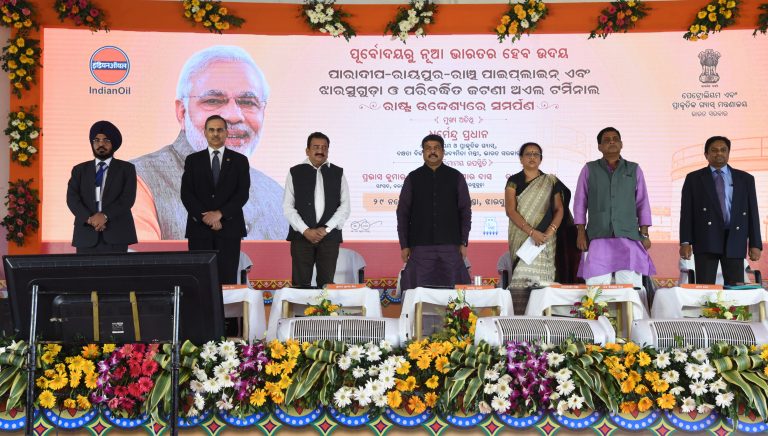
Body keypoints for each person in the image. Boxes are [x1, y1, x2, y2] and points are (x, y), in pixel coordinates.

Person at [131, 45, 286, 240]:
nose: (233, 115)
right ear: (182, 112)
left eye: (247, 102)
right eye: (213, 101)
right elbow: (138, 257)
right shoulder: (136, 179)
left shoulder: (276, 195)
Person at [573, 127, 655, 287]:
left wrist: (644, 234)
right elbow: (580, 202)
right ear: (599, 147)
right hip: (598, 236)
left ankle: (629, 306)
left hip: (628, 236)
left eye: (615, 139)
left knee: (629, 287)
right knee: (596, 286)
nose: (611, 142)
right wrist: (581, 233)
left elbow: (642, 202)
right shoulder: (589, 169)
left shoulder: (634, 169)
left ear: (621, 144)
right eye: (606, 140)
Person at [679, 136, 762, 284]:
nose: (719, 153)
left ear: (728, 153)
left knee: (735, 289)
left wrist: (755, 244)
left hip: (735, 238)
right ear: (706, 154)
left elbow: (752, 213)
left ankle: (734, 302)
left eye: (723, 150)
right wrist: (685, 242)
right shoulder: (694, 178)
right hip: (705, 238)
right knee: (705, 288)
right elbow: (686, 213)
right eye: (714, 150)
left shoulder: (745, 179)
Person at [180, 115, 250, 284]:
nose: (215, 134)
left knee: (227, 280)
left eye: (219, 130)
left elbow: (242, 194)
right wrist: (206, 217)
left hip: (229, 229)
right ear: (205, 133)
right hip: (199, 230)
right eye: (211, 130)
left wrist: (220, 214)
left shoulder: (240, 161)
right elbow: (186, 193)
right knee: (200, 279)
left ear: (226, 133)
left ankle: (226, 304)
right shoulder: (193, 160)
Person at [397, 134, 471, 291]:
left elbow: (465, 212)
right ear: (423, 152)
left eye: (436, 148)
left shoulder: (456, 177)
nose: (432, 152)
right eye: (428, 148)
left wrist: (464, 242)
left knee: (454, 293)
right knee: (418, 292)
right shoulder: (413, 178)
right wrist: (404, 245)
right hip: (420, 247)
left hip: (450, 246)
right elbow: (403, 213)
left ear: (443, 152)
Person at [283, 132, 350, 288]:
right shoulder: (295, 172)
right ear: (307, 150)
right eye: (316, 147)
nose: (320, 151)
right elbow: (288, 207)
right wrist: (305, 230)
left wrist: (326, 229)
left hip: (329, 238)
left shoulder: (338, 173)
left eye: (324, 147)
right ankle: (301, 307)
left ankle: (325, 306)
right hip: (301, 238)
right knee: (300, 285)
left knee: (326, 286)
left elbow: (345, 207)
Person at [505, 142, 575, 287]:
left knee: (544, 281)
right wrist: (532, 232)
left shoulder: (550, 181)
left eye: (536, 154)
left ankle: (543, 303)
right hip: (522, 236)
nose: (532, 157)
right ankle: (522, 303)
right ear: (521, 159)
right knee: (521, 276)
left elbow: (559, 209)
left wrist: (549, 232)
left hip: (545, 237)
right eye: (528, 154)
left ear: (541, 159)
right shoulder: (513, 181)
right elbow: (510, 211)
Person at [66, 121, 137, 253]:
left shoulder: (126, 169)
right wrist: (90, 219)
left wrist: (104, 216)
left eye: (106, 140)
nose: (101, 144)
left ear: (113, 144)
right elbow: (72, 199)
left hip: (117, 234)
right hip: (86, 234)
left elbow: (127, 199)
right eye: (97, 140)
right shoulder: (79, 170)